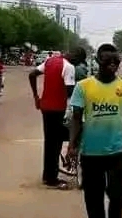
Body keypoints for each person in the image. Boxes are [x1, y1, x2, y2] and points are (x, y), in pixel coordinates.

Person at [66, 44, 122, 218]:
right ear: (98, 61)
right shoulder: (83, 87)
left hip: (118, 151)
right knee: (93, 197)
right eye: (108, 61)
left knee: (117, 196)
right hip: (90, 153)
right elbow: (77, 119)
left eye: (116, 61)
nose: (113, 64)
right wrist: (72, 145)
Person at [29, 47, 85, 188]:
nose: (78, 64)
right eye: (78, 62)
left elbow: (32, 75)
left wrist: (36, 96)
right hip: (57, 109)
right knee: (58, 141)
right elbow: (71, 92)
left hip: (46, 107)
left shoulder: (50, 61)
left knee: (50, 142)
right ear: (76, 58)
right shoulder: (69, 66)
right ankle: (52, 179)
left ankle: (48, 175)